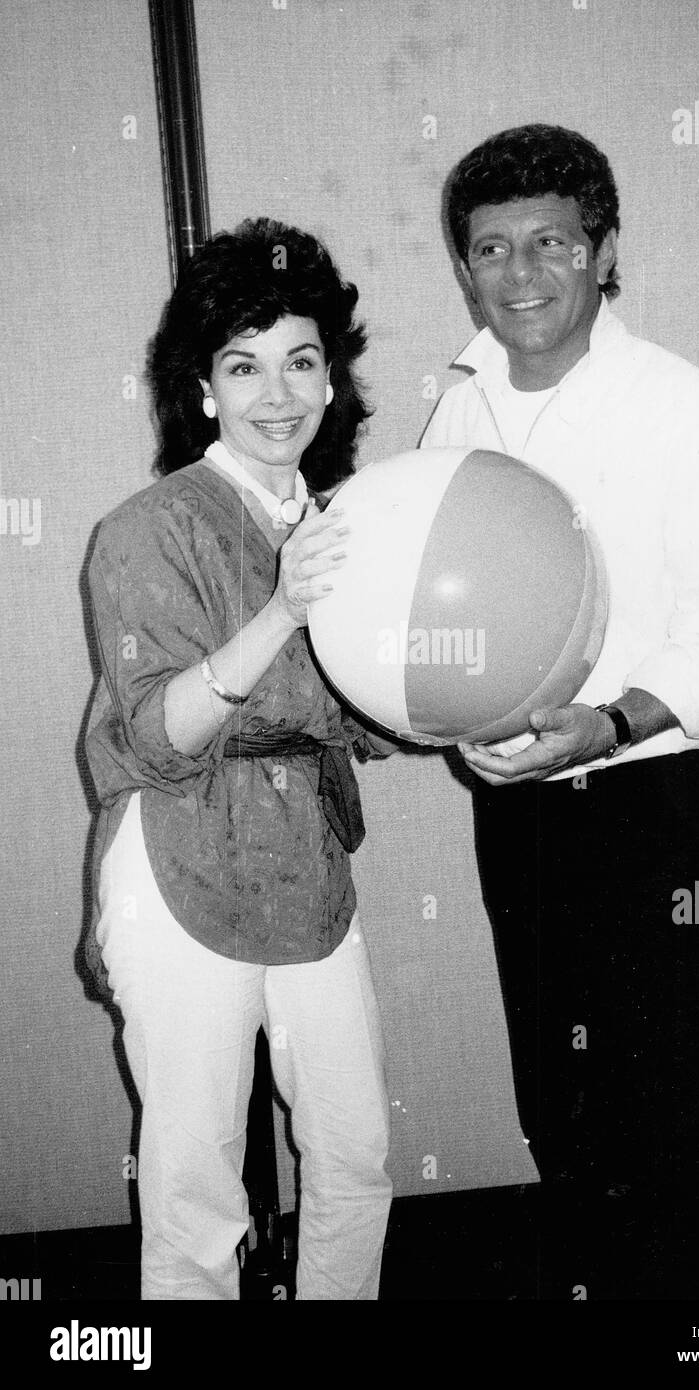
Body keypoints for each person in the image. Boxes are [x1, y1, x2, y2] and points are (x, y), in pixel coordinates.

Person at [421, 125, 699, 1294]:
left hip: (644, 792)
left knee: (666, 1080)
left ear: (602, 252)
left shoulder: (687, 410)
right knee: (554, 1079)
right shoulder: (459, 409)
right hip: (513, 808)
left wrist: (610, 721)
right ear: (463, 265)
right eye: (491, 249)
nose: (520, 275)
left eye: (550, 244)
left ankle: (695, 1313)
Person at [84, 217, 393, 1300]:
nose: (278, 393)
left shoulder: (346, 522)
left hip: (307, 864)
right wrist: (282, 607)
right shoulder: (146, 528)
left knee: (356, 1154)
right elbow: (154, 734)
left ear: (331, 379)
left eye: (302, 361)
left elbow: (364, 710)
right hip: (177, 862)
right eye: (244, 365)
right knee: (196, 1185)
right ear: (203, 389)